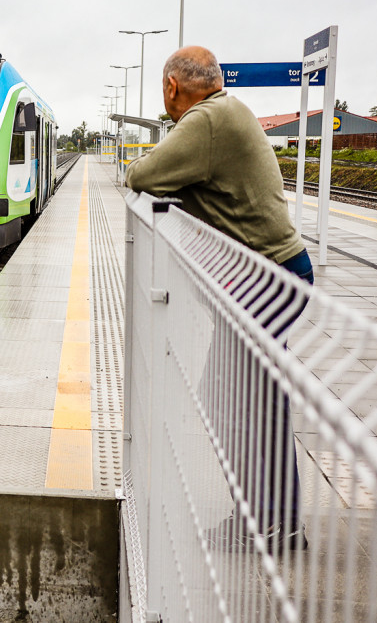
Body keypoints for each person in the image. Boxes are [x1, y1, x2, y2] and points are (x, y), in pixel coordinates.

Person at [126, 46, 312, 551]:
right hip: (273, 275)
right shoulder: (226, 113)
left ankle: (275, 524)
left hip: (265, 280)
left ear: (171, 87)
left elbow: (140, 175)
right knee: (242, 400)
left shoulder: (205, 121)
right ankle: (266, 519)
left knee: (249, 404)